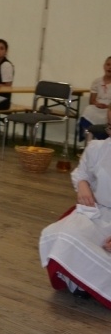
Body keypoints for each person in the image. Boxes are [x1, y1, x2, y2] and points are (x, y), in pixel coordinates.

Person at [39, 108, 111, 305]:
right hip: (99, 213)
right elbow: (82, 172)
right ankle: (79, 281)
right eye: (110, 126)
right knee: (64, 234)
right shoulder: (98, 148)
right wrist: (82, 184)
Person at [78, 56, 111, 139]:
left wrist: (108, 106)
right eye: (108, 64)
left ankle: (103, 138)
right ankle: (88, 140)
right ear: (104, 66)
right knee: (88, 109)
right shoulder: (97, 81)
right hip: (98, 107)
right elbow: (92, 100)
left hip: (109, 109)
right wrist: (97, 104)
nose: (110, 67)